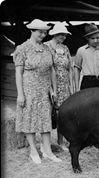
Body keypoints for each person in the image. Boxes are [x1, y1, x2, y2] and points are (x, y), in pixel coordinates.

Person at [13, 19, 61, 164]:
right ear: (32, 31)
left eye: (45, 32)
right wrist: (20, 94)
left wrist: (54, 90)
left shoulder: (47, 49)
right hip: (29, 90)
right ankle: (33, 150)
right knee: (30, 119)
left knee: (46, 119)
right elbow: (18, 73)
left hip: (44, 90)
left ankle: (47, 151)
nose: (43, 34)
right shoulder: (22, 49)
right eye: (40, 31)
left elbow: (52, 70)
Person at [44, 22, 73, 151]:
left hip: (64, 85)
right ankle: (46, 144)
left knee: (62, 114)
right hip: (50, 85)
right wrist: (52, 89)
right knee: (49, 114)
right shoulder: (47, 47)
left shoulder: (65, 48)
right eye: (61, 34)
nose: (63, 37)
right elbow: (48, 69)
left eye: (65, 35)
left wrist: (71, 85)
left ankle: (61, 142)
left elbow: (70, 68)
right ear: (55, 34)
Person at [74, 23, 99, 91]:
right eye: (92, 38)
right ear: (87, 38)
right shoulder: (81, 51)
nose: (95, 41)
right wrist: (77, 87)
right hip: (87, 82)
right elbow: (77, 69)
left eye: (97, 38)